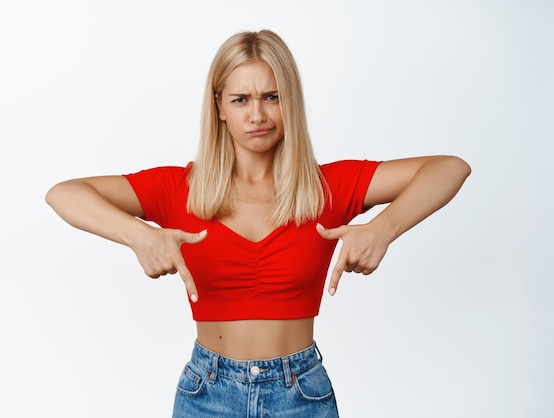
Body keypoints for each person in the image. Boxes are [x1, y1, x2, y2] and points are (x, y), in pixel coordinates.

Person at [45, 29, 471, 417]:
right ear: (220, 107)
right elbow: (64, 193)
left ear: (291, 101)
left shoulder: (327, 187)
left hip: (300, 395)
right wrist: (139, 234)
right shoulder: (179, 189)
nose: (258, 116)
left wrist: (384, 228)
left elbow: (449, 167)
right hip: (206, 394)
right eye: (241, 100)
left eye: (272, 96)